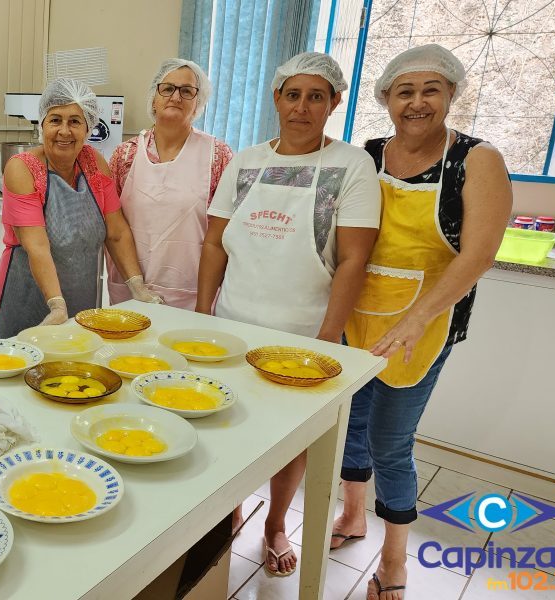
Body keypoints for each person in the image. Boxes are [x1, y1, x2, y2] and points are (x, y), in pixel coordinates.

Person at [331, 44, 512, 600]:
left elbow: (478, 255)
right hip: (360, 313)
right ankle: (354, 514)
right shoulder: (369, 153)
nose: (416, 103)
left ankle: (394, 559)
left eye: (430, 90)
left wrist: (416, 319)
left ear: (451, 94)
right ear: (386, 98)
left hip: (426, 322)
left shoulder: (476, 160)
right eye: (404, 92)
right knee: (353, 421)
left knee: (390, 440)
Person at [196, 52, 381, 577]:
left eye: (316, 96)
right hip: (231, 325)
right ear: (276, 98)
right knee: (223, 424)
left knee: (291, 441)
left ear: (334, 103)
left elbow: (353, 259)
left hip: (303, 332)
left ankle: (276, 522)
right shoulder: (247, 160)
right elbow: (214, 243)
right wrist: (204, 312)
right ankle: (227, 505)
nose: (302, 106)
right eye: (292, 94)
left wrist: (325, 342)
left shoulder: (351, 165)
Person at [0, 78, 163, 337]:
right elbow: (36, 245)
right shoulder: (22, 168)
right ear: (42, 124)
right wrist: (57, 305)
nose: (64, 131)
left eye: (74, 121)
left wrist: (136, 285)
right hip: (28, 295)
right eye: (55, 120)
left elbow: (116, 232)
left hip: (82, 296)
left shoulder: (94, 162)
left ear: (88, 127)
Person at [106, 59, 233, 310]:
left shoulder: (218, 156)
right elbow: (112, 226)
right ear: (154, 98)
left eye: (187, 91)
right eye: (168, 88)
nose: (176, 96)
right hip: (130, 288)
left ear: (199, 103)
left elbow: (225, 234)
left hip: (193, 292)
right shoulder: (124, 156)